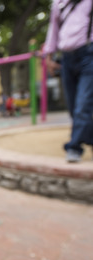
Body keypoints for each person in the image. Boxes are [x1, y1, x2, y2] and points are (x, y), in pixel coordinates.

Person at [44, 0, 93, 163]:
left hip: (89, 55)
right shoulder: (58, 3)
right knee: (73, 107)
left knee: (83, 105)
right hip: (66, 58)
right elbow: (53, 30)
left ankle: (74, 147)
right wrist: (49, 56)